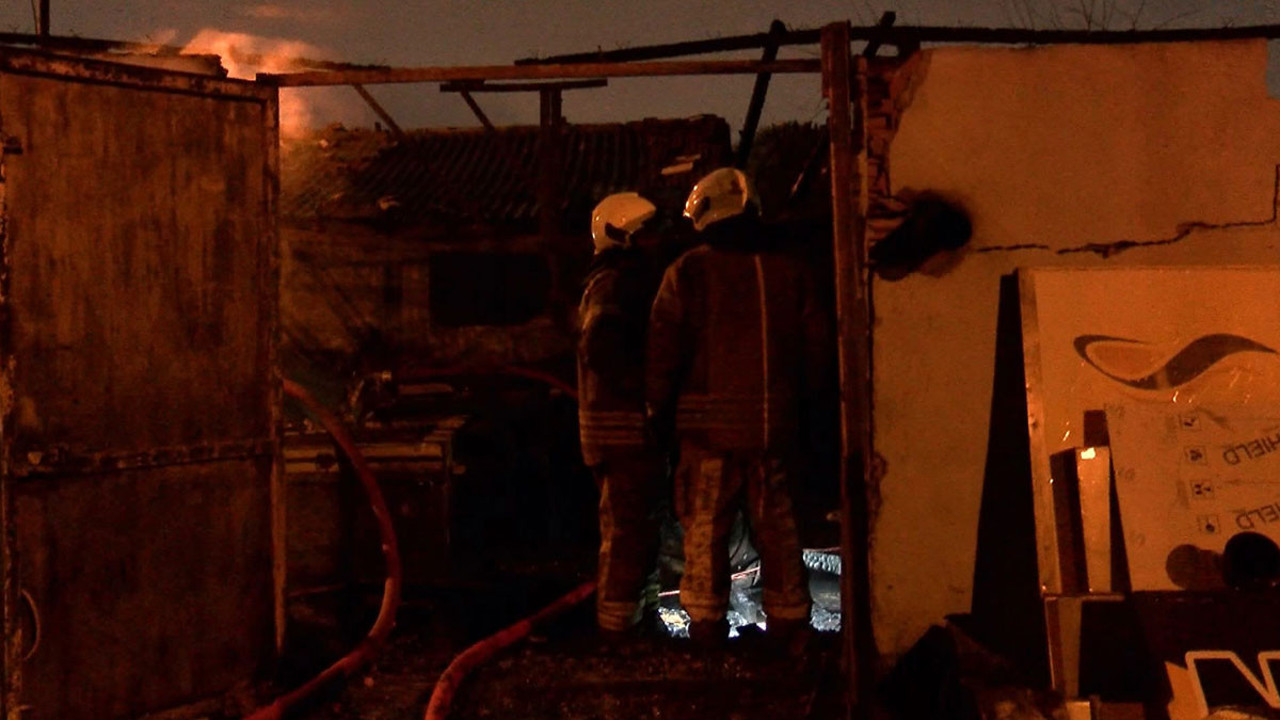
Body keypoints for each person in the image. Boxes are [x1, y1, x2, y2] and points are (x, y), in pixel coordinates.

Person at [646, 168, 832, 648]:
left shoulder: (686, 273)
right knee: (779, 531)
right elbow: (817, 353)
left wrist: (658, 417)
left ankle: (707, 628)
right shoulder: (789, 272)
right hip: (774, 431)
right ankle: (790, 625)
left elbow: (663, 354)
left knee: (705, 532)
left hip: (707, 438)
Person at [578, 191, 665, 635]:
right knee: (628, 533)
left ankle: (637, 621)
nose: (655, 242)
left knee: (641, 533)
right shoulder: (614, 283)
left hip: (624, 431)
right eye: (646, 233)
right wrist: (644, 393)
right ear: (622, 235)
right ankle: (615, 631)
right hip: (622, 430)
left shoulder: (616, 279)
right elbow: (602, 347)